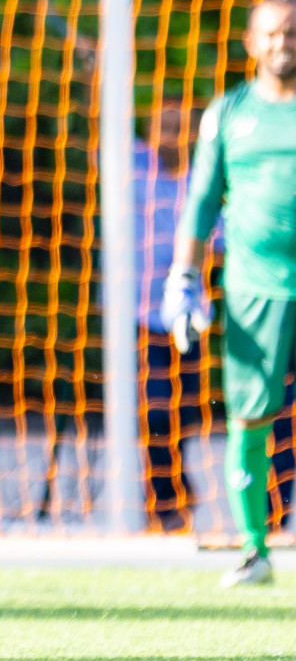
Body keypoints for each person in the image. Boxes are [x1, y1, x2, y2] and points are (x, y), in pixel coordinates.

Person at [163, 0, 296, 587]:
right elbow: (200, 200)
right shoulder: (229, 111)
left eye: (290, 32)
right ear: (251, 42)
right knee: (250, 416)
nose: (281, 43)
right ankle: (253, 548)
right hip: (254, 288)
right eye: (271, 33)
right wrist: (184, 276)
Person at [136, 104, 204, 530]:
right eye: (163, 125)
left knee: (186, 413)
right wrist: (92, 74)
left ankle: (175, 492)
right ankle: (165, 502)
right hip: (138, 313)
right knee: (154, 410)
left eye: (179, 126)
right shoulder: (131, 163)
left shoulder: (206, 176)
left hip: (189, 315)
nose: (170, 134)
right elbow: (92, 120)